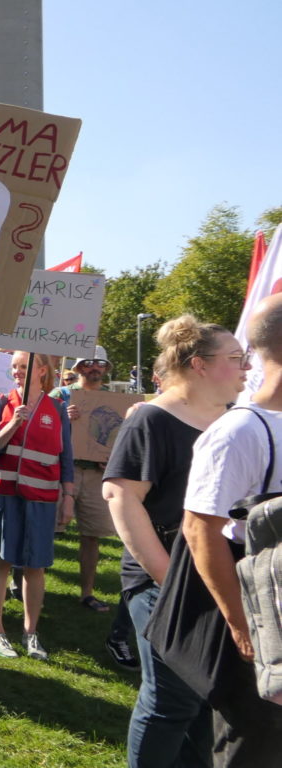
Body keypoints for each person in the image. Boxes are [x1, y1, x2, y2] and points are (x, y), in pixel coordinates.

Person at [103, 315, 235, 766]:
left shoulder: (233, 420)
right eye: (235, 359)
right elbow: (121, 498)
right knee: (170, 701)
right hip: (162, 581)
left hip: (218, 579)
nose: (244, 367)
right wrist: (168, 579)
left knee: (208, 699)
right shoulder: (153, 420)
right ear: (200, 364)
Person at [182, 296, 282, 766]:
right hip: (265, 621)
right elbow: (200, 530)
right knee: (255, 748)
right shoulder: (239, 431)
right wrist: (244, 628)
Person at [0, 352, 73, 662]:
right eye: (15, 367)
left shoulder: (57, 409)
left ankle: (31, 632)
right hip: (4, 494)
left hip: (41, 498)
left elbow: (66, 456)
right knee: (0, 562)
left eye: (25, 366)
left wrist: (69, 496)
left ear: (43, 370)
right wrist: (13, 423)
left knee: (35, 566)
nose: (18, 372)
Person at [51, 348, 138, 669]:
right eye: (88, 363)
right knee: (48, 530)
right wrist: (64, 414)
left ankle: (86, 592)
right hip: (62, 471)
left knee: (93, 535)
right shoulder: (61, 395)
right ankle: (28, 584)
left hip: (97, 473)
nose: (94, 369)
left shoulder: (115, 401)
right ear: (77, 367)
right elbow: (39, 418)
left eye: (100, 364)